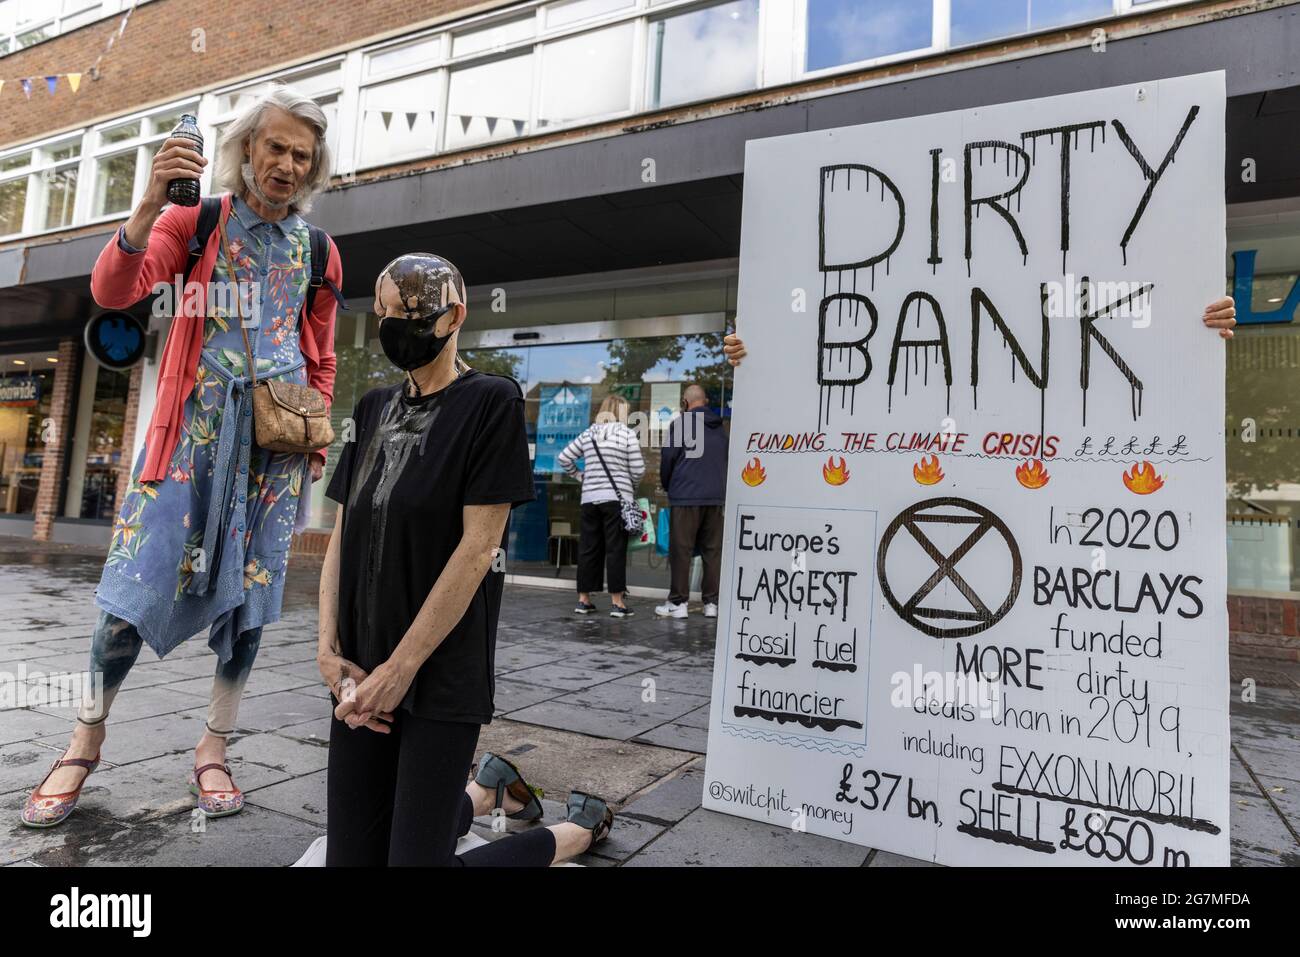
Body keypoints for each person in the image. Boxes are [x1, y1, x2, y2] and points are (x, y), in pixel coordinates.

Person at [22, 87, 341, 828]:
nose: (288, 164)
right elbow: (115, 287)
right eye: (276, 147)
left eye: (302, 153)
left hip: (272, 459)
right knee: (127, 597)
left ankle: (214, 746)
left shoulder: (321, 251)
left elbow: (317, 354)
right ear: (245, 151)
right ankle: (85, 736)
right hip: (188, 440)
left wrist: (313, 434)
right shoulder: (194, 219)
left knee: (252, 610)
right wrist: (144, 207)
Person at [318, 252, 614, 866]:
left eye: (407, 314)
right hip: (359, 666)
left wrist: (399, 671)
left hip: (437, 670)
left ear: (453, 317)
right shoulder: (372, 408)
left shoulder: (491, 402)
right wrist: (327, 649)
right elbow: (341, 537)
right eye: (382, 314)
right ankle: (485, 791)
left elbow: (479, 549)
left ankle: (573, 833)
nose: (391, 326)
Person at [556, 396, 646, 618]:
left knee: (588, 549)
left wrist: (580, 476)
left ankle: (583, 600)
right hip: (616, 500)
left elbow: (564, 457)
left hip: (589, 499)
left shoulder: (589, 433)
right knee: (615, 550)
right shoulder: (626, 434)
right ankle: (617, 603)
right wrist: (629, 487)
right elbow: (638, 468)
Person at [656, 384, 728, 620]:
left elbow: (668, 458)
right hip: (715, 497)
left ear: (685, 403)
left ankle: (678, 602)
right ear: (705, 401)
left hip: (686, 495)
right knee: (712, 551)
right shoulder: (720, 428)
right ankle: (711, 604)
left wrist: (668, 485)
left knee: (681, 551)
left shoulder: (682, 423)